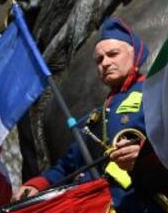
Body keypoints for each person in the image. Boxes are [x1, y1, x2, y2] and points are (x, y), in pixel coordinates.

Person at [12, 17, 158, 212]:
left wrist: (144, 155)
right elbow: (68, 165)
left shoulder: (154, 92)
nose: (105, 63)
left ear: (135, 54)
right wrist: (38, 184)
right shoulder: (94, 118)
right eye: (99, 59)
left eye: (113, 54)